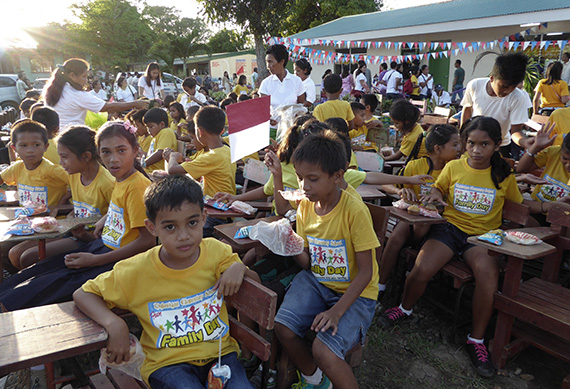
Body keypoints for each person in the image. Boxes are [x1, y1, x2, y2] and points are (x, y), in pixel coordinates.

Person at [73, 175, 254, 388]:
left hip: (221, 357)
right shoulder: (136, 270)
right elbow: (83, 294)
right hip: (167, 364)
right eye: (170, 227)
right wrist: (115, 324)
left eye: (192, 223)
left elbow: (254, 287)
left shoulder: (216, 252)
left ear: (204, 218)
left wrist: (239, 267)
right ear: (152, 228)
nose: (183, 236)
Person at [378, 117, 523, 378]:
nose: (477, 150)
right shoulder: (454, 166)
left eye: (484, 144)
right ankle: (404, 308)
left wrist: (549, 209)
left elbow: (519, 206)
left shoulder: (503, 175)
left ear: (497, 144)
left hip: (481, 238)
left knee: (488, 278)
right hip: (449, 229)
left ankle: (476, 341)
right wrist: (435, 194)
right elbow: (437, 188)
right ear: (465, 144)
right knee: (421, 268)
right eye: (471, 143)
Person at [0, 122, 155, 311]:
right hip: (100, 247)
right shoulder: (122, 180)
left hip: (117, 264)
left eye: (121, 150)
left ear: (136, 150)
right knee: (35, 273)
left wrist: (94, 260)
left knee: (34, 290)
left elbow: (147, 242)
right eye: (106, 152)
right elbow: (123, 225)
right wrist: (102, 222)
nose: (114, 159)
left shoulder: (136, 186)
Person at [274, 130, 379, 389]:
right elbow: (309, 262)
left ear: (336, 176)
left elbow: (366, 273)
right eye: (299, 178)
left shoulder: (354, 210)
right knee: (283, 327)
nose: (304, 187)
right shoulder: (305, 206)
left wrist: (336, 311)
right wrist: (290, 244)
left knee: (324, 350)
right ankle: (314, 378)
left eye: (312, 179)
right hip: (317, 280)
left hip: (357, 292)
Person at [9, 125, 115, 270]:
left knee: (28, 257)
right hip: (72, 229)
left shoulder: (107, 183)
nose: (60, 162)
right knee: (15, 254)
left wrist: (86, 234)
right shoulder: (75, 175)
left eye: (64, 157)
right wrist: (64, 203)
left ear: (86, 157)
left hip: (92, 241)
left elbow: (117, 216)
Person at [378, 125, 460, 297]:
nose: (459, 149)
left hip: (442, 224)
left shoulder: (456, 169)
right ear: (438, 149)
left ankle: (410, 270)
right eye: (455, 144)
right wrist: (399, 191)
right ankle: (380, 285)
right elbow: (385, 184)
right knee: (394, 239)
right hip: (413, 219)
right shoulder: (416, 166)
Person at [164, 106, 236, 236]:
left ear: (199, 132)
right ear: (221, 130)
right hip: (225, 209)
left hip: (216, 214)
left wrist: (173, 157)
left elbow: (172, 170)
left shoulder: (210, 156)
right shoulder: (226, 150)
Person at [460, 52, 531, 157]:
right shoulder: (475, 85)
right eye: (503, 86)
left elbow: (516, 131)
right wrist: (463, 140)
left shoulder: (518, 97)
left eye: (513, 87)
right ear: (492, 78)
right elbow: (466, 114)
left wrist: (525, 142)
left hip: (500, 147)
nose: (507, 91)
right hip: (475, 145)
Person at [43, 59, 147, 127]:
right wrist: (135, 104)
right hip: (71, 138)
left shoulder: (54, 89)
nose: (86, 80)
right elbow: (107, 107)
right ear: (72, 75)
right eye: (83, 77)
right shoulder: (75, 93)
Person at [0, 119, 68, 210]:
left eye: (36, 145)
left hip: (52, 220)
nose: (30, 150)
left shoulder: (52, 170)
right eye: (24, 145)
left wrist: (61, 203)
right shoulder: (17, 167)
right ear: (14, 148)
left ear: (45, 147)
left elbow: (77, 182)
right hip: (26, 219)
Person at [516, 123, 570, 224]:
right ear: (561, 151)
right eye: (565, 158)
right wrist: (535, 147)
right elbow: (521, 168)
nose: (568, 165)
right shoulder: (554, 152)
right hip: (537, 208)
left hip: (562, 219)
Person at [259, 44, 306, 110]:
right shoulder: (265, 84)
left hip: (292, 120)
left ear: (282, 62)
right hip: (272, 120)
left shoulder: (297, 81)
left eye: (270, 62)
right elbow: (263, 109)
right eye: (267, 62)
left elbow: (301, 106)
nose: (268, 66)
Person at [143, 108, 177, 174]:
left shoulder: (166, 132)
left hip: (158, 173)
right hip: (150, 171)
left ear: (162, 124)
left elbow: (160, 153)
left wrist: (143, 163)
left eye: (151, 126)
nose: (148, 130)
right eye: (147, 127)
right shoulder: (155, 136)